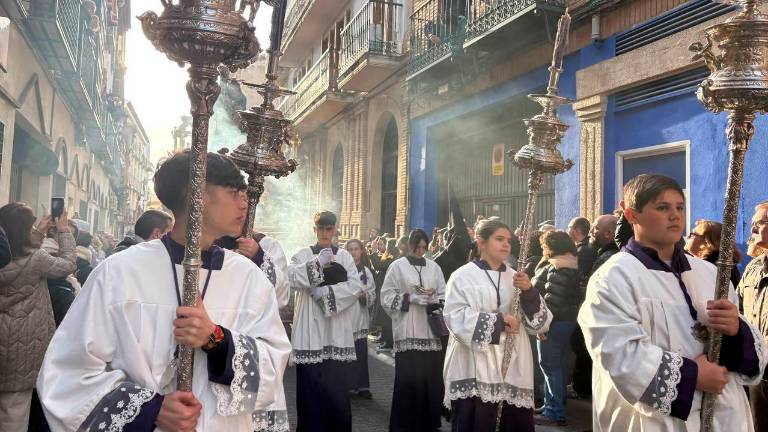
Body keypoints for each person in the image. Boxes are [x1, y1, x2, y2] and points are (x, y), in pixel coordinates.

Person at [36, 150, 292, 431]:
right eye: (234, 191)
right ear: (200, 193)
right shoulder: (120, 272)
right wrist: (150, 410)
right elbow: (67, 372)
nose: (244, 202)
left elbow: (273, 367)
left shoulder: (248, 277)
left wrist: (216, 339)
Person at [579, 174, 767, 431]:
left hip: (724, 415)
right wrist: (693, 377)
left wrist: (735, 330)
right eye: (662, 207)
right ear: (632, 214)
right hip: (655, 421)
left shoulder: (711, 274)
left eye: (679, 207)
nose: (675, 215)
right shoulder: (613, 277)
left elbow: (750, 351)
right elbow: (617, 354)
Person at [443, 219, 552, 432]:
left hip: (513, 365)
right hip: (476, 365)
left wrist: (529, 291)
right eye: (499, 239)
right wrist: (499, 322)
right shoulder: (462, 276)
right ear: (481, 243)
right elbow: (455, 318)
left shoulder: (517, 278)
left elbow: (542, 323)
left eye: (509, 240)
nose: (506, 245)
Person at [0, 203, 77, 430]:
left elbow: (13, 250)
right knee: (14, 408)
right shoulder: (37, 260)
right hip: (21, 341)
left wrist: (38, 231)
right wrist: (62, 230)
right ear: (25, 230)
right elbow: (68, 264)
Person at [287, 210, 362, 432]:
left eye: (329, 228)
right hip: (309, 332)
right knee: (310, 397)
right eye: (320, 228)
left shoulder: (346, 257)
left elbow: (356, 287)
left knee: (337, 398)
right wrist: (316, 266)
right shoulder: (302, 254)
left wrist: (323, 293)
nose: (324, 233)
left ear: (335, 229)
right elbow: (290, 278)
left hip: (336, 333)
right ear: (314, 230)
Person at [381, 229, 447, 432]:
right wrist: (409, 299)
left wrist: (437, 301)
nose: (420, 251)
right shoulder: (397, 266)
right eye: (417, 247)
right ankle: (405, 424)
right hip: (408, 331)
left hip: (429, 331)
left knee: (429, 379)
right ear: (409, 246)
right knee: (408, 380)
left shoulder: (434, 267)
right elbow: (386, 296)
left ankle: (429, 423)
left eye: (423, 247)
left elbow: (444, 294)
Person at [529, 230, 581, 427]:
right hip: (564, 322)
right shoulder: (570, 262)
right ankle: (553, 404)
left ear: (552, 246)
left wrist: (542, 326)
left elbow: (553, 300)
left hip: (554, 322)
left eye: (544, 246)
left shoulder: (558, 265)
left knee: (550, 366)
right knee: (556, 366)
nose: (543, 249)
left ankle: (554, 411)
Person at [571, 213, 619, 399]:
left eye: (596, 228)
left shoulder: (610, 257)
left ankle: (585, 390)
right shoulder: (601, 253)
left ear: (608, 234)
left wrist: (581, 284)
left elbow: (595, 287)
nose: (591, 231)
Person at [740, 201, 768, 432]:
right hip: (758, 374)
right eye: (753, 223)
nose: (753, 229)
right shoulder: (753, 268)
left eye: (762, 222)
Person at [345, 238, 376, 399]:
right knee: (347, 354)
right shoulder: (341, 270)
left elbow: (372, 292)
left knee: (361, 353)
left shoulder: (365, 271)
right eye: (350, 249)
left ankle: (362, 386)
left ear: (361, 251)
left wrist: (365, 295)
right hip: (346, 317)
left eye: (356, 249)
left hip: (360, 316)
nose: (353, 252)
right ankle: (348, 385)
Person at [685, 219, 742, 288]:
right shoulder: (716, 263)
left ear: (707, 240)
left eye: (692, 234)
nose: (688, 236)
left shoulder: (716, 267)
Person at [374, 238, 400, 349]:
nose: (388, 246)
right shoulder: (387, 254)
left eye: (390, 244)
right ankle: (383, 336)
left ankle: (388, 340)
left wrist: (374, 253)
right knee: (381, 313)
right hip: (382, 287)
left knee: (386, 316)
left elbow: (380, 266)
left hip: (388, 289)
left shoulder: (394, 256)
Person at [568, 216, 597, 283]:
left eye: (569, 227)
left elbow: (577, 277)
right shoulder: (585, 246)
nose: (567, 230)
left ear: (577, 230)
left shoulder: (583, 251)